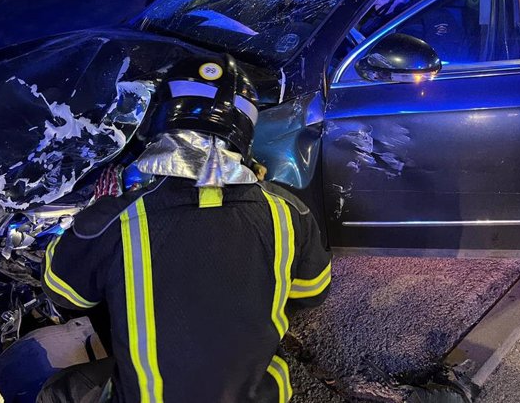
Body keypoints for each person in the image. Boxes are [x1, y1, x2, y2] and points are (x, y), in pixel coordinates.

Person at [37, 54, 332, 403]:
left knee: (54, 392)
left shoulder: (116, 220)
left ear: (162, 125)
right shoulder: (289, 211)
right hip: (258, 397)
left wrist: (94, 214)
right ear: (244, 135)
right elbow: (313, 291)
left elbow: (63, 291)